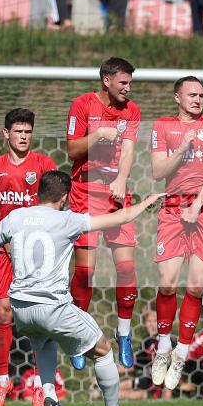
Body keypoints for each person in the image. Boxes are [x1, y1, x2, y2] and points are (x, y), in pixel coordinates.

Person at [0, 170, 163, 406]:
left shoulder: (15, 217)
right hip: (52, 306)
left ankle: (50, 396)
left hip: (21, 309)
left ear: (39, 193)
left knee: (46, 342)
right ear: (65, 197)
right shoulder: (67, 220)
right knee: (103, 350)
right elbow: (119, 218)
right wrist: (146, 201)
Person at [149, 76, 203, 391]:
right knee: (167, 284)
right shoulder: (163, 127)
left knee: (195, 288)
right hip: (172, 211)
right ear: (176, 97)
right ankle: (163, 345)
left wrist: (197, 205)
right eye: (192, 94)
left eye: (202, 95)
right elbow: (157, 172)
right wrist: (182, 148)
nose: (198, 99)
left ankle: (181, 352)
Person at [0, 108, 58, 406]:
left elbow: (54, 203)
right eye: (18, 131)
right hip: (5, 251)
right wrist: (4, 236)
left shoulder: (44, 164)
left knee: (37, 315)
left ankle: (40, 385)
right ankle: (2, 382)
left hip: (37, 252)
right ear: (6, 134)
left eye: (28, 132)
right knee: (3, 312)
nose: (23, 137)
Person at [66, 57, 141, 370]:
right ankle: (79, 338)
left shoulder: (132, 110)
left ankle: (124, 333)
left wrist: (122, 179)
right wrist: (97, 135)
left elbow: (129, 149)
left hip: (115, 195)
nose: (128, 88)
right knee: (85, 273)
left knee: (126, 268)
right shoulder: (83, 105)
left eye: (129, 82)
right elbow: (71, 151)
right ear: (106, 80)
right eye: (123, 82)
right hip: (84, 193)